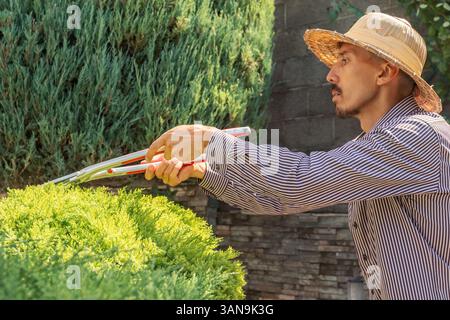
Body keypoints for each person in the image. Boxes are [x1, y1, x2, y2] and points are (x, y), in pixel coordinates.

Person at [143, 13, 450, 300]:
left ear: (384, 72)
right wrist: (205, 171)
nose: (330, 75)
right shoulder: (378, 143)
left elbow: (298, 180)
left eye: (344, 61)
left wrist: (212, 140)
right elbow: (280, 199)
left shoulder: (416, 138)